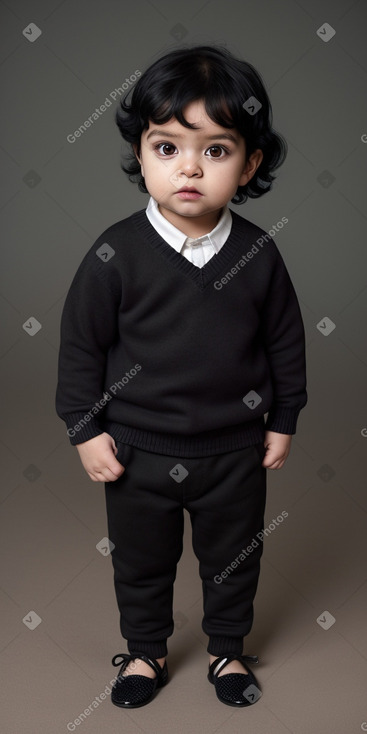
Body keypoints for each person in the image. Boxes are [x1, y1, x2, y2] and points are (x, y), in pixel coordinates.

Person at [55, 44, 307, 709]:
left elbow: (284, 341)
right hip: (137, 448)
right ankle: (145, 652)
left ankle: (227, 651)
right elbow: (81, 347)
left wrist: (283, 420)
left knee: (233, 561)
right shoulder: (115, 253)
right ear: (140, 155)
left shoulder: (257, 251)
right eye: (166, 148)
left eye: (215, 151)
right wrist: (85, 430)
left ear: (250, 162)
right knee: (141, 564)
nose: (189, 167)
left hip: (233, 450)